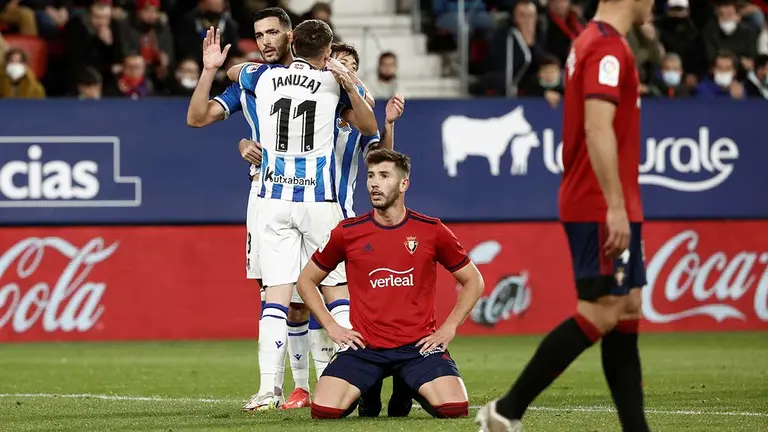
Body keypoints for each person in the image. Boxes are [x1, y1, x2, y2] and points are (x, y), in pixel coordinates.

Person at [477, 0, 654, 431]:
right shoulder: (606, 47)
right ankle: (506, 411)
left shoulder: (591, 40)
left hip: (610, 199)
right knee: (602, 310)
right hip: (600, 202)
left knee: (626, 307)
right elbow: (597, 127)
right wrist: (614, 205)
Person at [229, 18, 378, 411]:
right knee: (336, 292)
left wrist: (242, 68)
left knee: (276, 297)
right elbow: (368, 125)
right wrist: (347, 80)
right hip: (319, 201)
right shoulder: (332, 83)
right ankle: (351, 384)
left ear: (292, 42)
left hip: (273, 199)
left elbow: (233, 72)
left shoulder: (263, 77)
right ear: (328, 53)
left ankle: (268, 391)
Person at [185, 8, 317, 412]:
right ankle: (273, 388)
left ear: (290, 35)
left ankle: (314, 386)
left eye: (273, 32)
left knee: (311, 294)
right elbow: (197, 118)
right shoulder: (249, 85)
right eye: (259, 35)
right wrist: (210, 70)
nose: (265, 41)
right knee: (271, 290)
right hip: (264, 194)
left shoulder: (313, 79)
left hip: (312, 193)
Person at [295, 149, 484, 420]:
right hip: (365, 349)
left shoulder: (431, 230)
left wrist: (449, 327)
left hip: (417, 348)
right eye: (371, 176)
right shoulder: (347, 232)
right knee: (324, 410)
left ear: (403, 184)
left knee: (454, 408)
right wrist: (332, 326)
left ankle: (406, 383)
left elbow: (474, 281)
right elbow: (306, 281)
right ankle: (368, 389)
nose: (374, 183)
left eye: (384, 176)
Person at [328, 42, 411, 418]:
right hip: (298, 210)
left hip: (340, 216)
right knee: (298, 304)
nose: (344, 67)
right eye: (339, 61)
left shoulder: (359, 120)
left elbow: (380, 160)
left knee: (349, 304)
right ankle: (299, 386)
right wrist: (245, 142)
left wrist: (388, 124)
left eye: (351, 64)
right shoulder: (310, 108)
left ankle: (355, 380)